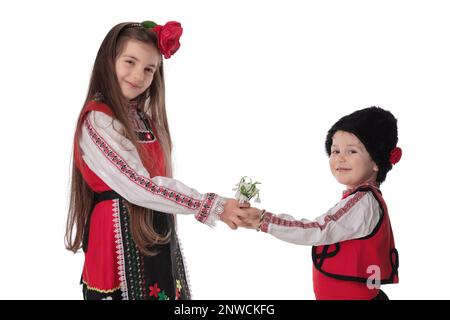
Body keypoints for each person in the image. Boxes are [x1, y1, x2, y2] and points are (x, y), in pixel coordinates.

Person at [65, 20, 245, 300]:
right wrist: (212, 206)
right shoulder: (98, 120)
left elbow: (159, 184)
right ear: (108, 61)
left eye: (149, 69)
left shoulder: (145, 119)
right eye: (130, 62)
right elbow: (139, 186)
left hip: (153, 232)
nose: (138, 75)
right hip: (116, 238)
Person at [238, 107, 401, 300]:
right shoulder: (361, 199)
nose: (340, 157)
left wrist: (263, 221)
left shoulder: (362, 203)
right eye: (335, 150)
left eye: (352, 151)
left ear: (376, 162)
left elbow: (317, 229)